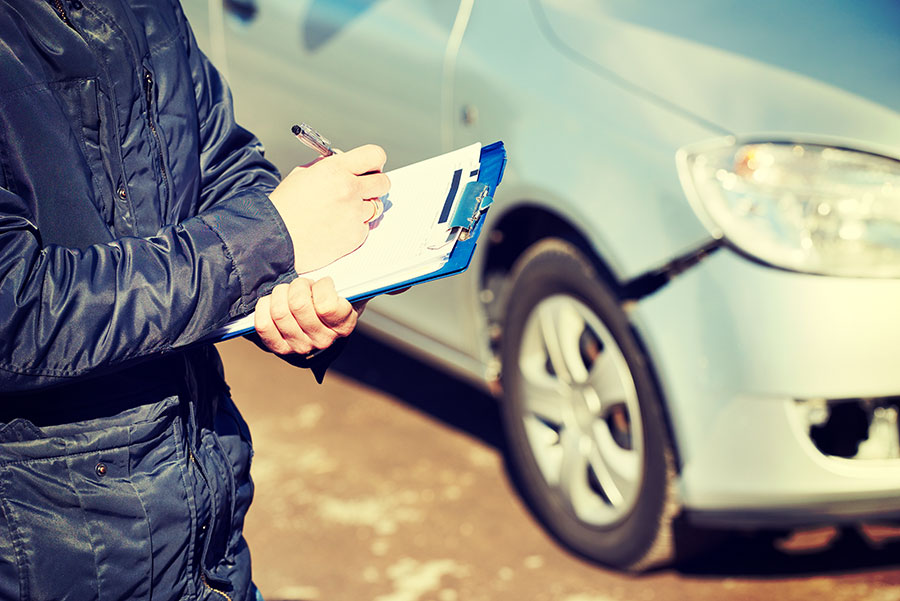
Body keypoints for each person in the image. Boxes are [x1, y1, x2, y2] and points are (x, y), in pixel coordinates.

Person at [0, 1, 388, 600]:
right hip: (58, 561)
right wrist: (270, 232)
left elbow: (221, 168)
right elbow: (17, 311)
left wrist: (294, 286)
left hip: (211, 548)